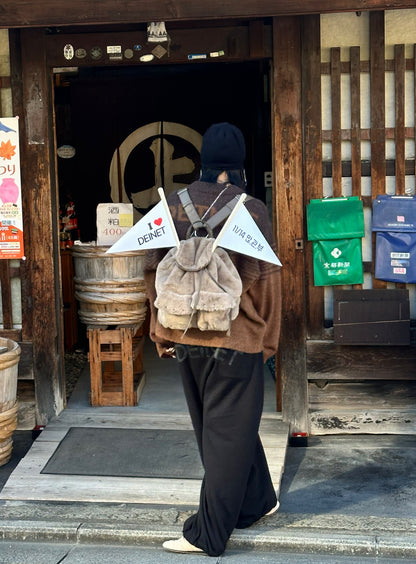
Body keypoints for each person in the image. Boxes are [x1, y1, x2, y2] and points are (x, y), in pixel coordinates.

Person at [143, 122, 282, 557]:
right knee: (226, 432)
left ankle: (254, 503)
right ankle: (211, 533)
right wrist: (268, 344)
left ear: (204, 163)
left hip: (183, 332)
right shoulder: (253, 210)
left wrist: (158, 330)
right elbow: (269, 285)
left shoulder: (171, 205)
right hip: (235, 340)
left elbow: (150, 270)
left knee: (218, 429)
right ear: (237, 168)